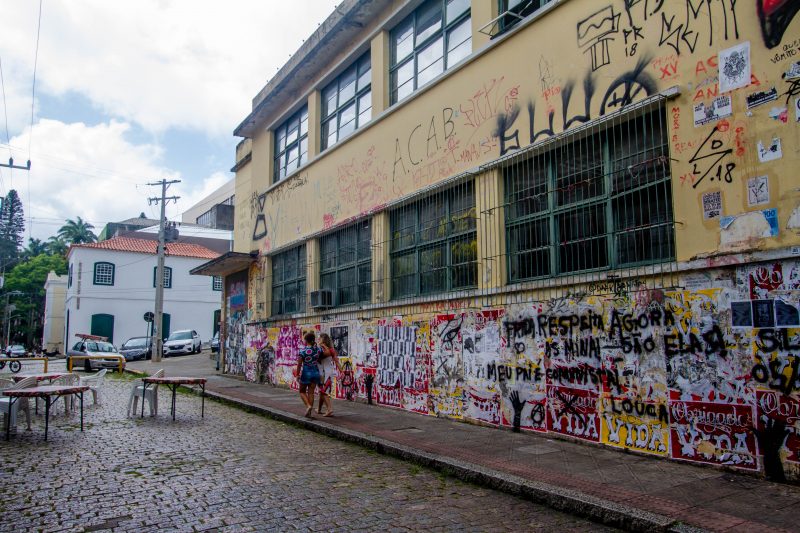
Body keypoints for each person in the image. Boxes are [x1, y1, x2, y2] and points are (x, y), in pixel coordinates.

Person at [295, 331, 322, 418]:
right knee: (311, 393)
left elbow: (299, 365)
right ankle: (309, 414)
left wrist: (297, 375)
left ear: (306, 341)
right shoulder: (318, 350)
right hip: (315, 373)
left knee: (302, 391)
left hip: (306, 373)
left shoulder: (303, 351)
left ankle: (308, 406)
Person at [317, 333, 342, 417]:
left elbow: (318, 358)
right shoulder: (332, 350)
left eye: (319, 339)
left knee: (324, 392)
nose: (318, 340)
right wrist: (341, 371)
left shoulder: (321, 349)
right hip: (330, 372)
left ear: (323, 340)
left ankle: (329, 409)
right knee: (322, 391)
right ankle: (319, 409)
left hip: (323, 373)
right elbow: (337, 362)